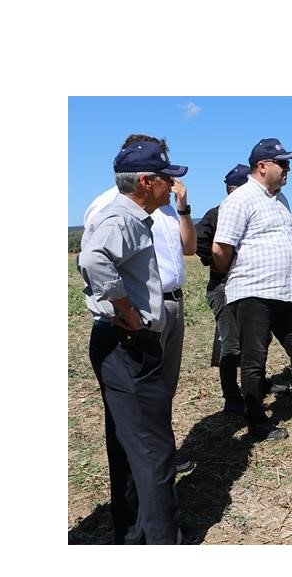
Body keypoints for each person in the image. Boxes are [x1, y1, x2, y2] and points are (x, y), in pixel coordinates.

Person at [77, 139, 187, 544]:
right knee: (153, 448)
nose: (170, 186)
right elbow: (92, 260)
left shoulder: (132, 217)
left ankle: (134, 531)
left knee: (128, 442)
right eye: (165, 179)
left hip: (124, 343)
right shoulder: (121, 218)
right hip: (127, 343)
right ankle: (161, 539)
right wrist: (125, 309)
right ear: (146, 182)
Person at [212, 138, 292, 442]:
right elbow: (221, 248)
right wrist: (232, 274)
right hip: (253, 294)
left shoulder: (280, 200)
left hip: (283, 294)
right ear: (262, 167)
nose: (287, 169)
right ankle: (257, 421)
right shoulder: (240, 199)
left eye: (288, 164)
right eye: (282, 164)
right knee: (254, 362)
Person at [194, 164, 250, 414]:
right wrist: (218, 263)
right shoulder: (218, 214)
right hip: (223, 286)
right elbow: (198, 239)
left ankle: (254, 387)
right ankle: (231, 397)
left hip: (249, 286)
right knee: (231, 344)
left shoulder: (251, 213)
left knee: (255, 341)